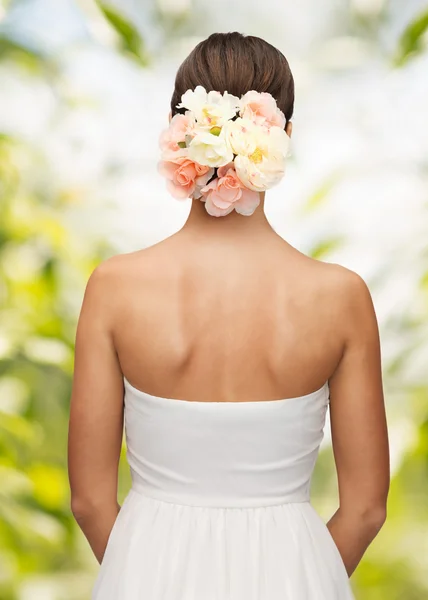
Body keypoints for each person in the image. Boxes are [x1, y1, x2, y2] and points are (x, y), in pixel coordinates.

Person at [68, 31, 390, 600]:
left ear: (177, 130)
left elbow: (91, 501)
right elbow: (364, 509)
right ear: (284, 137)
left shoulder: (115, 288)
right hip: (294, 580)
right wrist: (304, 578)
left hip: (147, 578)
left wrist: (139, 572)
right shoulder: (340, 297)